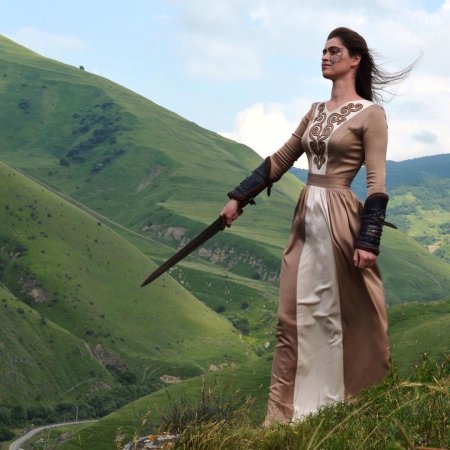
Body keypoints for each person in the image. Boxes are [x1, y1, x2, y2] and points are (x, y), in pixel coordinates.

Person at [220, 27, 414, 425]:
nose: (325, 56)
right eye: (323, 51)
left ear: (355, 59)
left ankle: (356, 406)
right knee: (294, 314)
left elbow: (376, 182)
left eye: (334, 51)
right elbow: (280, 159)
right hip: (306, 219)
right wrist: (238, 197)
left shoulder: (372, 115)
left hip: (342, 219)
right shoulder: (314, 111)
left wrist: (369, 240)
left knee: (349, 315)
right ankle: (285, 416)